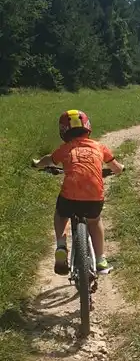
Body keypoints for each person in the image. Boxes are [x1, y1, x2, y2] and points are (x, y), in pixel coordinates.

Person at [32, 109, 124, 276]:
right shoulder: (99, 147)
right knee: (94, 222)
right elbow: (116, 168)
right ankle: (101, 259)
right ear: (87, 127)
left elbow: (49, 160)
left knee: (61, 214)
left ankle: (61, 244)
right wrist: (121, 169)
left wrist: (38, 163)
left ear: (63, 131)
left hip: (70, 196)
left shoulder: (65, 148)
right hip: (94, 197)